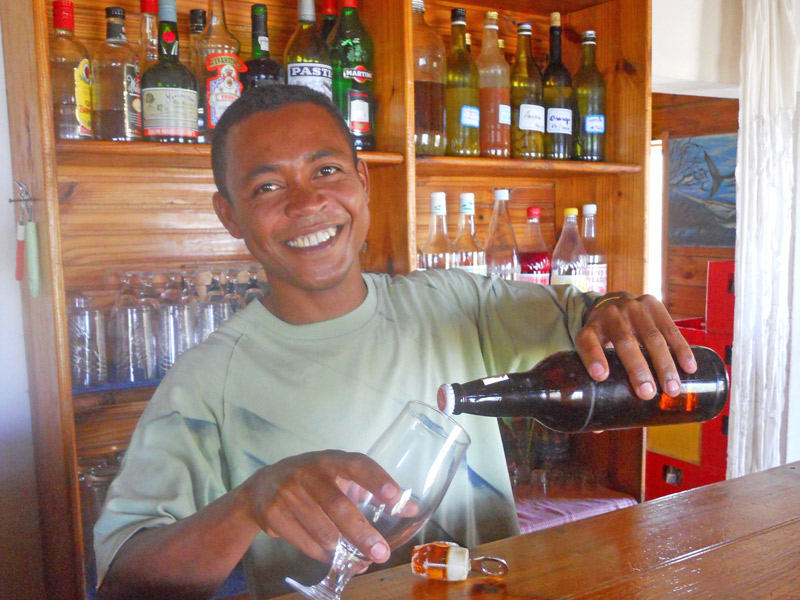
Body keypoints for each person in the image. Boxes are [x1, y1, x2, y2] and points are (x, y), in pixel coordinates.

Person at [95, 85, 695, 600]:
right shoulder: (206, 380)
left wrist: (613, 308)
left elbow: (580, 315)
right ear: (229, 217)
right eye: (267, 188)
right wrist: (250, 503)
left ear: (362, 181)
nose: (307, 203)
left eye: (326, 170)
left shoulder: (454, 304)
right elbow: (125, 581)